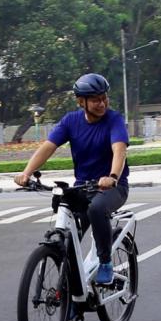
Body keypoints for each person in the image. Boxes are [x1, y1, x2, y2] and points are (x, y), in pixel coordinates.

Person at [14, 73, 129, 286]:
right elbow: (48, 147)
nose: (102, 103)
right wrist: (26, 173)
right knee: (67, 235)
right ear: (81, 101)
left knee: (96, 209)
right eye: (96, 100)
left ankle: (105, 262)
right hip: (83, 187)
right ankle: (71, 293)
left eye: (104, 98)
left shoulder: (114, 120)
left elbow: (119, 150)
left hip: (112, 187)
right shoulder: (71, 121)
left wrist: (112, 176)